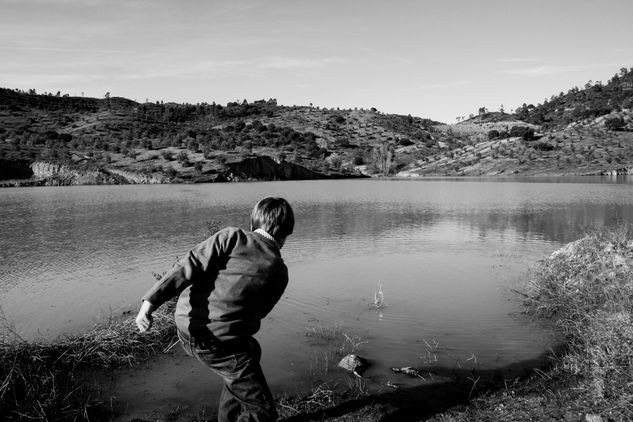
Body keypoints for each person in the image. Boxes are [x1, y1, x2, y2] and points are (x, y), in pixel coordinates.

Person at [136, 197, 294, 422]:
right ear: (285, 233)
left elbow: (187, 265)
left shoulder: (231, 237)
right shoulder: (279, 271)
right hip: (219, 344)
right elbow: (258, 313)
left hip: (185, 329)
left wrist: (149, 303)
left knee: (248, 354)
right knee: (262, 413)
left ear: (253, 223)